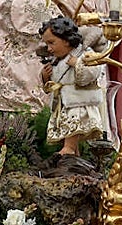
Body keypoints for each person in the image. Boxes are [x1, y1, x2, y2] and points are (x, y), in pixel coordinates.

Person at [40, 16, 108, 158]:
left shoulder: (83, 53)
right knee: (65, 126)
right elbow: (54, 83)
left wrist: (78, 64)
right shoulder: (57, 60)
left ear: (66, 40)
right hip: (63, 101)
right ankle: (74, 152)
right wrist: (46, 77)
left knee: (73, 125)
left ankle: (69, 148)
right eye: (47, 45)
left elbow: (94, 71)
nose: (49, 48)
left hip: (78, 100)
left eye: (52, 43)